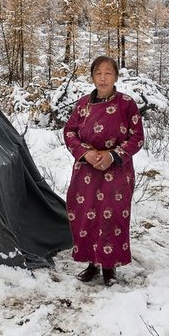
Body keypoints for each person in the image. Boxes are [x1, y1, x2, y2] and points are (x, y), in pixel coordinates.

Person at [62, 55, 144, 285]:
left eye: (108, 73)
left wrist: (113, 155)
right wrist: (86, 153)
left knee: (112, 217)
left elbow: (137, 137)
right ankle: (91, 263)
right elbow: (69, 132)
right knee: (86, 215)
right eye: (98, 73)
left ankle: (109, 267)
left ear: (116, 76)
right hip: (86, 171)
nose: (103, 78)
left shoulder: (127, 104)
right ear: (92, 77)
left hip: (116, 172)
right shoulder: (82, 105)